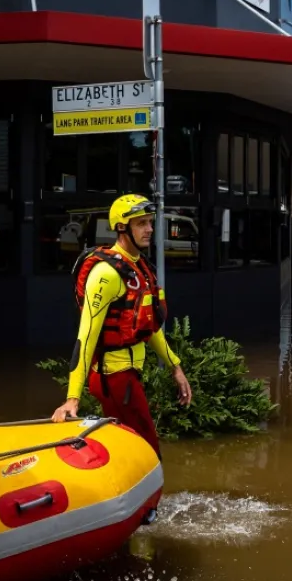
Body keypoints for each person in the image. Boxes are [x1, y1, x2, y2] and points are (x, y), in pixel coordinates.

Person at [50, 194, 192, 458]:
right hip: (114, 377)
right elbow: (86, 336)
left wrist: (176, 368)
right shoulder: (105, 274)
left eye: (150, 222)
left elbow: (148, 327)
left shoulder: (138, 268)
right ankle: (150, 499)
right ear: (121, 227)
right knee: (148, 450)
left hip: (127, 375)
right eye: (141, 223)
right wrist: (73, 398)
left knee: (133, 450)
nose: (150, 229)